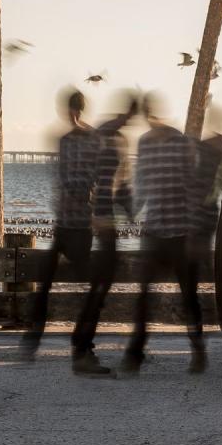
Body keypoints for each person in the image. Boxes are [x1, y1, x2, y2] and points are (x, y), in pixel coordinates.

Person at [117, 92, 202, 376]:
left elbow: (192, 188)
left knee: (188, 296)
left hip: (178, 232)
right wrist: (130, 208)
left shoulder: (180, 142)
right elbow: (142, 185)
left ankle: (197, 348)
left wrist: (193, 233)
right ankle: (135, 354)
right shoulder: (147, 144)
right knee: (145, 297)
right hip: (155, 231)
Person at [20, 89, 98, 360]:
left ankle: (79, 342)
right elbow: (75, 177)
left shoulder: (86, 139)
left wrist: (77, 192)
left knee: (82, 284)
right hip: (66, 223)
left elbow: (83, 178)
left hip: (77, 225)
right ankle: (35, 336)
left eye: (73, 110)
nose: (71, 115)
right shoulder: (71, 139)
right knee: (46, 283)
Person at [71, 91, 138, 375]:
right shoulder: (106, 136)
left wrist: (133, 213)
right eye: (131, 113)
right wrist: (96, 214)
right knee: (99, 286)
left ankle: (82, 345)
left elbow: (120, 187)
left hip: (105, 222)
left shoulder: (116, 139)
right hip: (100, 223)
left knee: (101, 285)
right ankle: (82, 349)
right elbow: (94, 179)